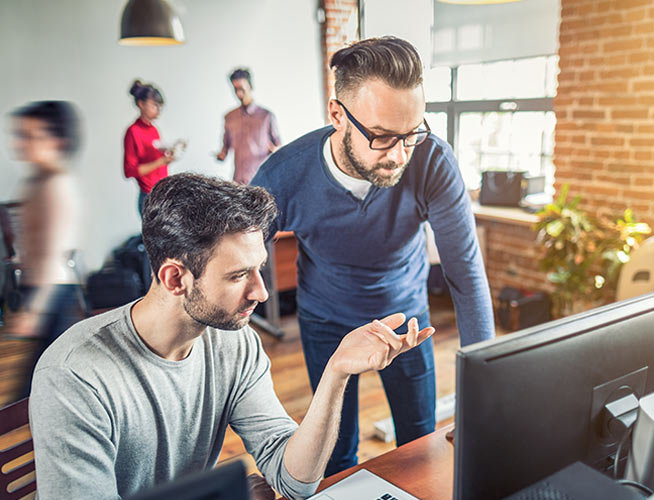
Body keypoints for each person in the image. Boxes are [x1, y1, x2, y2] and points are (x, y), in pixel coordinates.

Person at [28, 173, 433, 500]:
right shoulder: (73, 376)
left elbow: (294, 480)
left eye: (259, 269)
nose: (261, 292)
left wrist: (337, 372)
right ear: (175, 278)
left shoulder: (234, 343)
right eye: (239, 275)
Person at [249, 36, 495, 475]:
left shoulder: (432, 161)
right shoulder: (284, 174)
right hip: (326, 321)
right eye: (382, 137)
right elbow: (238, 261)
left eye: (412, 134)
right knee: (337, 455)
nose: (399, 155)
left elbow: (465, 274)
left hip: (407, 321)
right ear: (337, 115)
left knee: (419, 446)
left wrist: (484, 395)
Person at [2, 101, 84, 399]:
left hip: (53, 292)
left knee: (38, 385)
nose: (20, 143)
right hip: (40, 288)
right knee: (42, 383)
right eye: (20, 135)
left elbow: (53, 255)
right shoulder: (38, 181)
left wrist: (35, 310)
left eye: (31, 136)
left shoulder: (56, 186)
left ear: (58, 141)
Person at [216, 68, 281, 184]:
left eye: (242, 89)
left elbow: (279, 148)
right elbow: (225, 149)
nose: (239, 94)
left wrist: (275, 151)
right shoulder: (229, 117)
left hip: (262, 179)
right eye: (235, 89)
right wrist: (221, 155)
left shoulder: (266, 116)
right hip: (238, 181)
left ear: (250, 86)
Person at [123, 79, 174, 216]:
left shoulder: (154, 130)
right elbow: (130, 171)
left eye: (159, 106)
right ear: (141, 104)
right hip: (148, 196)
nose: (158, 110)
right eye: (154, 105)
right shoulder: (133, 132)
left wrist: (167, 156)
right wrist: (161, 162)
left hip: (162, 193)